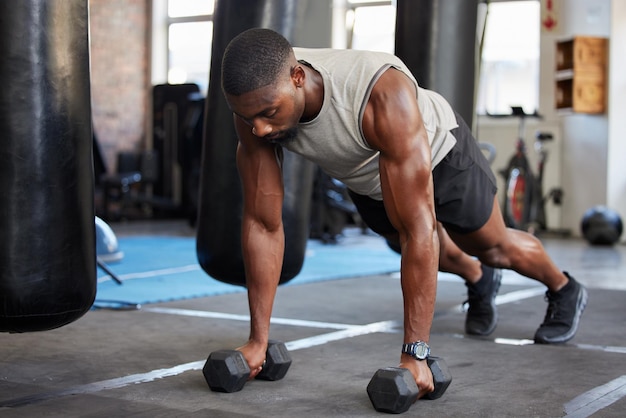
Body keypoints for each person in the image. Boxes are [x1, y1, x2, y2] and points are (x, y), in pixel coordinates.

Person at [219, 28, 588, 398]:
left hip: (442, 152)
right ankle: (478, 278)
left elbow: (420, 229)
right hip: (368, 177)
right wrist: (257, 341)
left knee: (491, 246)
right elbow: (264, 224)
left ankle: (564, 288)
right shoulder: (256, 105)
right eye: (248, 117)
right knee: (409, 248)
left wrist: (416, 354)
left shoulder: (378, 92)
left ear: (297, 78)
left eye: (269, 113)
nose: (260, 128)